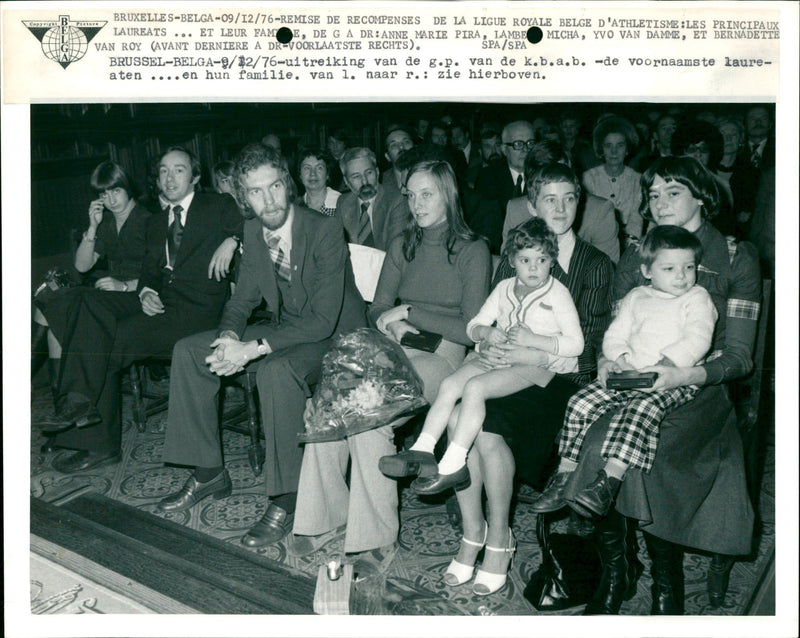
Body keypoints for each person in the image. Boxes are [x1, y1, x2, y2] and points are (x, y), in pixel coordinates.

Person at [561, 156, 761, 615]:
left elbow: (739, 356)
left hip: (700, 390)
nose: (661, 202)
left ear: (702, 196)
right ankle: (617, 570)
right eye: (653, 195)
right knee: (594, 436)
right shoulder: (638, 255)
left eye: (674, 192)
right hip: (636, 377)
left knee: (651, 451)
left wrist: (682, 374)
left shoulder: (735, 256)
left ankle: (665, 583)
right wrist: (608, 360)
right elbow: (618, 329)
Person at [158, 144, 366, 550]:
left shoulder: (324, 229)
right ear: (244, 198)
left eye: (274, 187)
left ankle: (286, 499)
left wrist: (252, 349)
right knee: (189, 351)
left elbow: (323, 321)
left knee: (275, 371)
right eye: (256, 192)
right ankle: (208, 472)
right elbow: (242, 300)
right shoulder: (253, 231)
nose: (268, 200)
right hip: (286, 331)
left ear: (287, 186)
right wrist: (231, 337)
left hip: (335, 339)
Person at [290, 159, 490, 556]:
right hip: (393, 343)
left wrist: (411, 314)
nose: (417, 204)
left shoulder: (473, 249)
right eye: (411, 195)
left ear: (447, 194)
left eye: (426, 194)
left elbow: (470, 326)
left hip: (444, 354)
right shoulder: (403, 243)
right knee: (329, 399)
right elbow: (377, 306)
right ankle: (323, 517)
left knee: (369, 414)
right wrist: (391, 322)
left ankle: (376, 536)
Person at [444, 162, 614, 597]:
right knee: (456, 415)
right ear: (532, 204)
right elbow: (491, 317)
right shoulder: (516, 257)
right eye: (549, 199)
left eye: (570, 197)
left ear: (580, 203)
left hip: (562, 381)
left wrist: (527, 351)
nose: (560, 208)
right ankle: (472, 532)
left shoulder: (594, 264)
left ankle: (499, 538)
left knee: (485, 427)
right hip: (507, 369)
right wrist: (488, 345)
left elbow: (587, 347)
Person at [39, 147, 243, 473]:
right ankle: (78, 402)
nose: (169, 177)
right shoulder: (158, 221)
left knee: (102, 340)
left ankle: (92, 430)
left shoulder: (218, 205)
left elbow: (256, 223)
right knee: (80, 298)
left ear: (195, 177)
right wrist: (147, 290)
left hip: (196, 310)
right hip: (160, 303)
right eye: (163, 171)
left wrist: (233, 240)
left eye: (178, 170)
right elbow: (151, 270)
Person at [381, 217, 583, 505]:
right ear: (512, 260)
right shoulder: (503, 288)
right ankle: (424, 450)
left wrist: (534, 340)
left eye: (542, 259)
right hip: (495, 357)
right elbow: (473, 325)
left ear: (553, 260)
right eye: (525, 260)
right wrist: (486, 332)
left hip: (530, 367)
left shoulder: (559, 295)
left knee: (474, 388)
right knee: (450, 384)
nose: (534, 268)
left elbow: (576, 344)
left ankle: (454, 462)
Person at [533, 225, 717, 519]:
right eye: (669, 268)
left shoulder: (697, 298)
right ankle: (565, 473)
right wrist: (617, 359)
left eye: (689, 267)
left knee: (638, 411)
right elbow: (615, 335)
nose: (682, 276)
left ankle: (609, 479)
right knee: (579, 403)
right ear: (646, 270)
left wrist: (669, 364)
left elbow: (698, 337)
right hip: (629, 373)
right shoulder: (636, 297)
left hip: (671, 379)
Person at [32, 161, 151, 393]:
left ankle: (51, 387)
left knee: (60, 305)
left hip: (138, 294)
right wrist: (93, 227)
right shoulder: (107, 224)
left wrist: (125, 285)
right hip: (110, 291)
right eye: (103, 194)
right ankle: (56, 391)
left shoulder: (147, 220)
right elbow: (82, 266)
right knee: (49, 294)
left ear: (128, 188)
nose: (111, 200)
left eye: (116, 191)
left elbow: (161, 273)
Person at [501, 140, 620, 264]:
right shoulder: (517, 210)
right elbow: (508, 266)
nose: (555, 182)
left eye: (561, 174)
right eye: (545, 178)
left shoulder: (599, 211)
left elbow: (606, 271)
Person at [582, 116, 644, 244]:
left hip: (630, 242)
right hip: (596, 241)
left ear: (627, 149)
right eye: (608, 145)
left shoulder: (637, 180)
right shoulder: (588, 178)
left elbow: (637, 219)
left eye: (620, 145)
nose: (614, 151)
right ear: (601, 149)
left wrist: (629, 243)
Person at [334, 147, 408, 251]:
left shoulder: (396, 200)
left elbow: (396, 250)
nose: (364, 182)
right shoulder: (343, 203)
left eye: (369, 173)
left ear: (377, 172)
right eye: (356, 177)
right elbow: (337, 247)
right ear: (346, 181)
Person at [475, 120, 536, 215]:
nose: (525, 149)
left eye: (530, 143)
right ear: (504, 149)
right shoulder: (488, 177)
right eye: (518, 144)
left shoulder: (542, 175)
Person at [295, 147, 340, 216]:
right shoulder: (295, 207)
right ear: (300, 174)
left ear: (327, 174)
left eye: (319, 168)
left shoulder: (341, 204)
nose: (313, 173)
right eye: (307, 168)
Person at [381, 124, 416, 194]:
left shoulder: (430, 175)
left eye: (406, 142)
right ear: (387, 156)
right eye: (394, 145)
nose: (401, 147)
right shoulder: (381, 182)